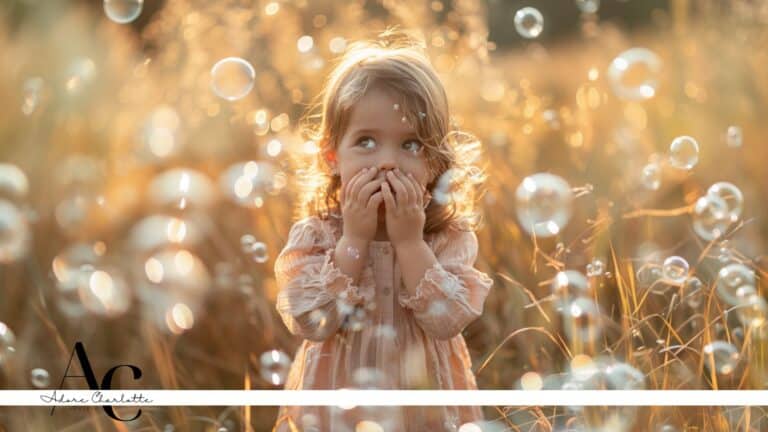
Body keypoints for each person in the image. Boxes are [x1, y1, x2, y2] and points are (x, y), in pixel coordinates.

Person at [272, 27, 494, 432]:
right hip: (339, 409)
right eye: (367, 142)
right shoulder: (317, 237)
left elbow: (448, 321)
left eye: (410, 145)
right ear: (332, 157)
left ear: (436, 163)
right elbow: (311, 322)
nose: (388, 162)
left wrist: (409, 242)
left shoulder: (446, 237)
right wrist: (353, 239)